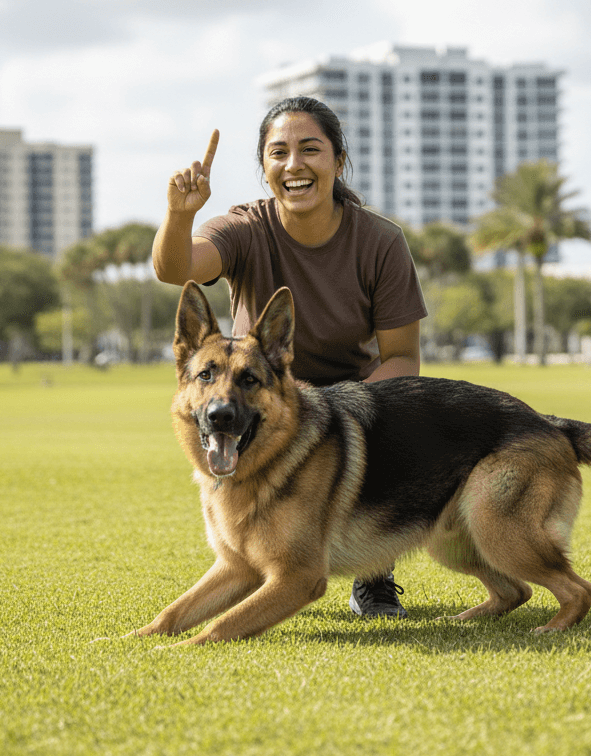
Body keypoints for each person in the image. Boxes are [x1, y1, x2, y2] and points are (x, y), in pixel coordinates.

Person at [152, 96, 427, 618]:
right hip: (255, 390)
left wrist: (342, 409)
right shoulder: (244, 228)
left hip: (353, 403)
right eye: (279, 153)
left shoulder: (381, 242)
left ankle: (373, 572)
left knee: (377, 434)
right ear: (265, 168)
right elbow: (177, 269)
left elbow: (401, 357)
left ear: (337, 161)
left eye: (310, 149)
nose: (294, 165)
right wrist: (179, 214)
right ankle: (257, 555)